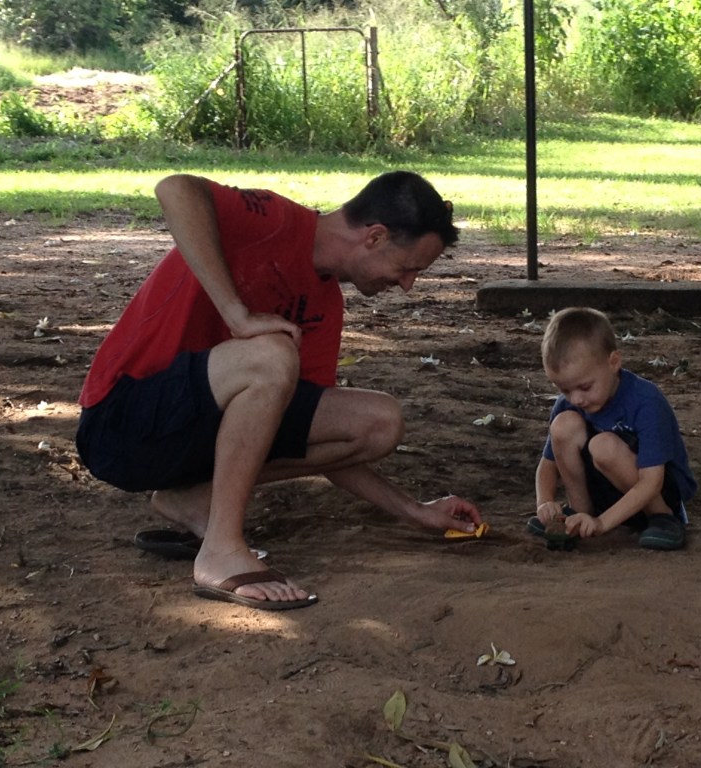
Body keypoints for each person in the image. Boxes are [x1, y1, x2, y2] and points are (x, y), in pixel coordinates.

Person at [76, 171, 483, 611]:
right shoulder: (275, 220)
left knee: (378, 423)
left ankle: (193, 498)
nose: (407, 285)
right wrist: (237, 314)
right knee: (271, 354)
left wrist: (414, 509)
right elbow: (175, 189)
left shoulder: (325, 305)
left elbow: (308, 435)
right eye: (408, 269)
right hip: (121, 424)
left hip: (182, 440)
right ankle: (220, 551)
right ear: (375, 237)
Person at [531, 307, 696, 550]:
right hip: (606, 494)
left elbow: (651, 481)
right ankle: (578, 513)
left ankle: (663, 519)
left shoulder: (646, 401)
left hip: (656, 492)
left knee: (603, 445)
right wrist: (544, 502)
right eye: (564, 390)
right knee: (563, 425)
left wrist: (601, 524)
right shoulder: (569, 405)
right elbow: (548, 464)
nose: (576, 399)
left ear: (614, 362)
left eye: (585, 387)